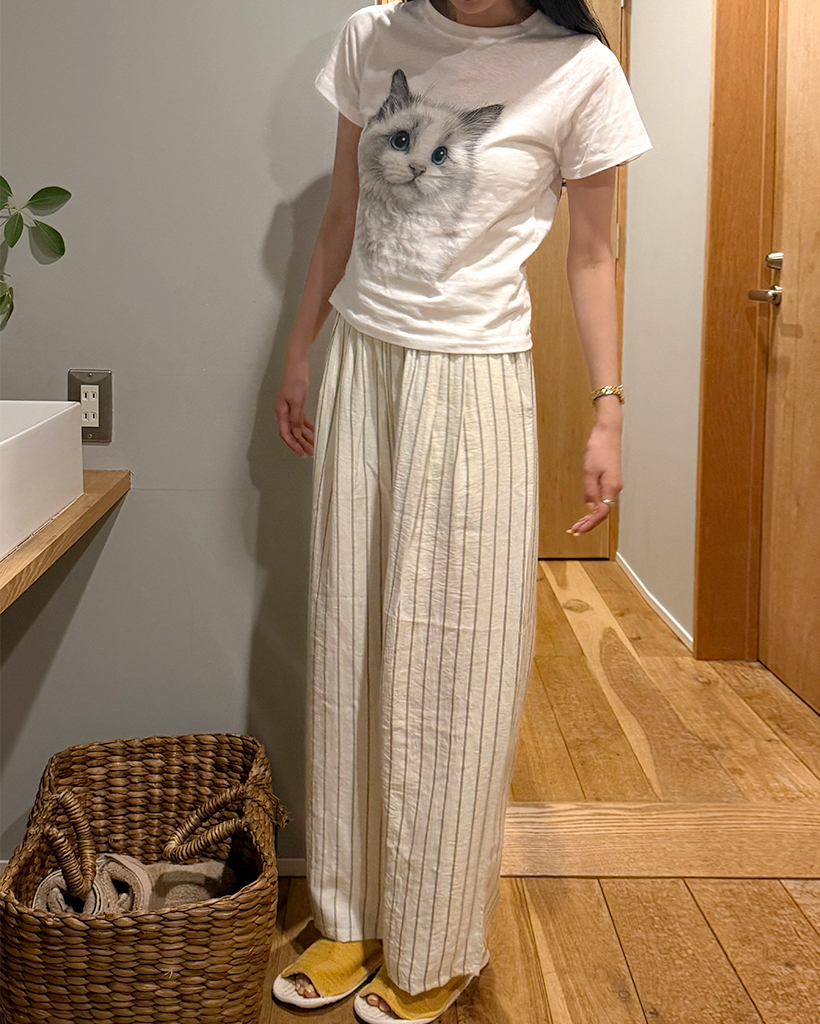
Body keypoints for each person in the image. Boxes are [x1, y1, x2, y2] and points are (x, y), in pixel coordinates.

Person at [272, 1, 652, 1020]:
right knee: (349, 641)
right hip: (362, 357)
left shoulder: (577, 69)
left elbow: (591, 253)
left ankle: (435, 935)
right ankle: (348, 916)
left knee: (459, 661)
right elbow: (341, 211)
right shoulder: (371, 36)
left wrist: (609, 410)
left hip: (475, 375)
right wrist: (301, 349)